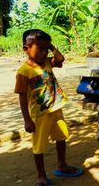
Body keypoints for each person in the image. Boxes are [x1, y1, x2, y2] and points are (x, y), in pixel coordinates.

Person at [14, 29, 82, 186]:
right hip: (40, 115)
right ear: (26, 49)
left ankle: (62, 165)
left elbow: (61, 59)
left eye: (46, 49)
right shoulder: (23, 71)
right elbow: (22, 97)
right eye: (40, 49)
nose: (44, 53)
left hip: (56, 108)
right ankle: (41, 175)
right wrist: (27, 120)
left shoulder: (46, 62)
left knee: (61, 138)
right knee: (39, 146)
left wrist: (50, 46)